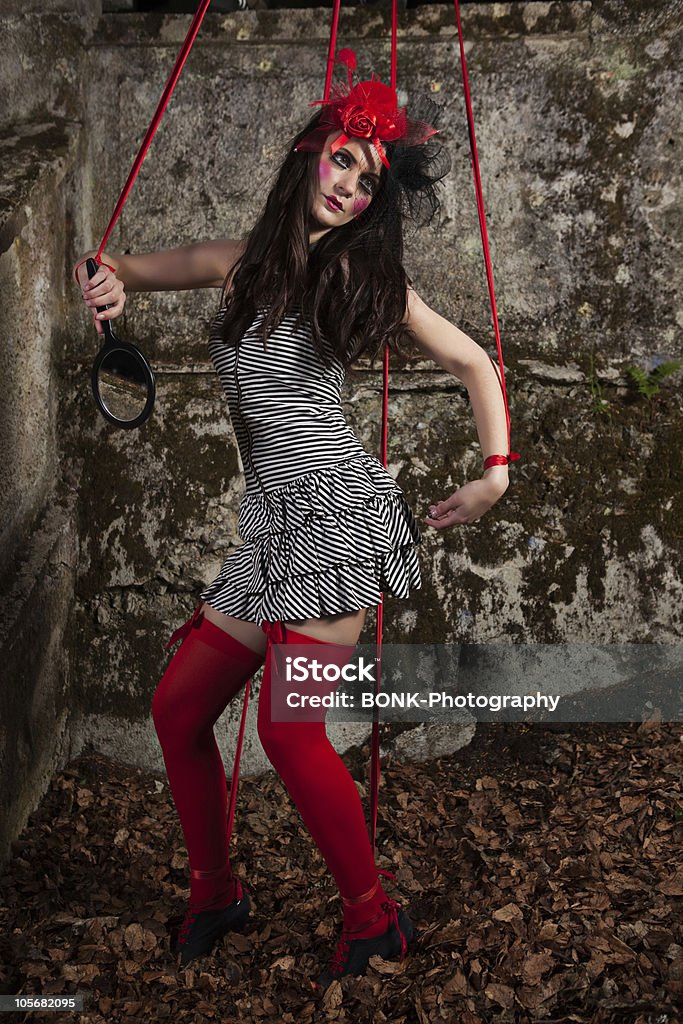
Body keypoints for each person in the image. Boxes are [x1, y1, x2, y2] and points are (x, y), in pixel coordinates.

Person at [73, 51, 512, 988]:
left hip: (335, 521)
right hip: (272, 525)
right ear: (312, 153)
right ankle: (216, 890)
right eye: (344, 160)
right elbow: (128, 272)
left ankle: (373, 917)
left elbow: (476, 364)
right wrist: (106, 283)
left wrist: (493, 475)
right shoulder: (237, 264)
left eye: (370, 180)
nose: (352, 186)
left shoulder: (363, 280)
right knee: (178, 710)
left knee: (287, 732)